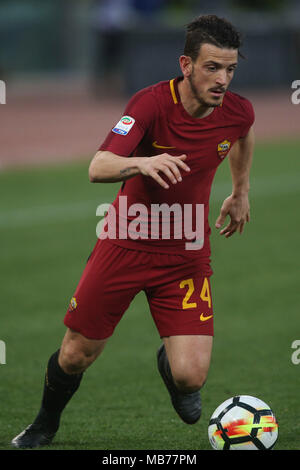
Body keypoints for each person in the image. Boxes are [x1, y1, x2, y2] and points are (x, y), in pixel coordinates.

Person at [12, 14, 255, 448]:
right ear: (186, 65)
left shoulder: (236, 111)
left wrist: (240, 192)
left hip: (186, 254)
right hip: (125, 243)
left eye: (231, 69)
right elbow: (97, 167)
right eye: (212, 67)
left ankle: (171, 365)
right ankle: (44, 423)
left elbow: (242, 134)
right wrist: (143, 162)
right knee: (75, 355)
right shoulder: (149, 104)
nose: (223, 79)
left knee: (190, 376)